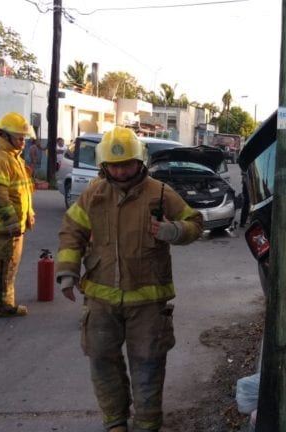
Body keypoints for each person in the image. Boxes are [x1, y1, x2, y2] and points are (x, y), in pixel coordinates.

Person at [56, 126, 203, 432]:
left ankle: (147, 424)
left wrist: (174, 231)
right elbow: (72, 231)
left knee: (148, 364)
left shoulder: (160, 193)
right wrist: (67, 272)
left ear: (140, 162)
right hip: (101, 298)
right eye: (114, 165)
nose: (121, 172)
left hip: (148, 302)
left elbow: (194, 223)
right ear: (103, 165)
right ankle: (115, 423)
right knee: (101, 361)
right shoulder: (93, 195)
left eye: (127, 165)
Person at [0, 112, 37, 317]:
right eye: (19, 138)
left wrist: (28, 212)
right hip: (4, 226)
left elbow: (18, 191)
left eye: (24, 138)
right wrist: (12, 221)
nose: (23, 142)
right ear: (4, 135)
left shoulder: (12, 157)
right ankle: (2, 306)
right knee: (5, 265)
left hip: (6, 224)